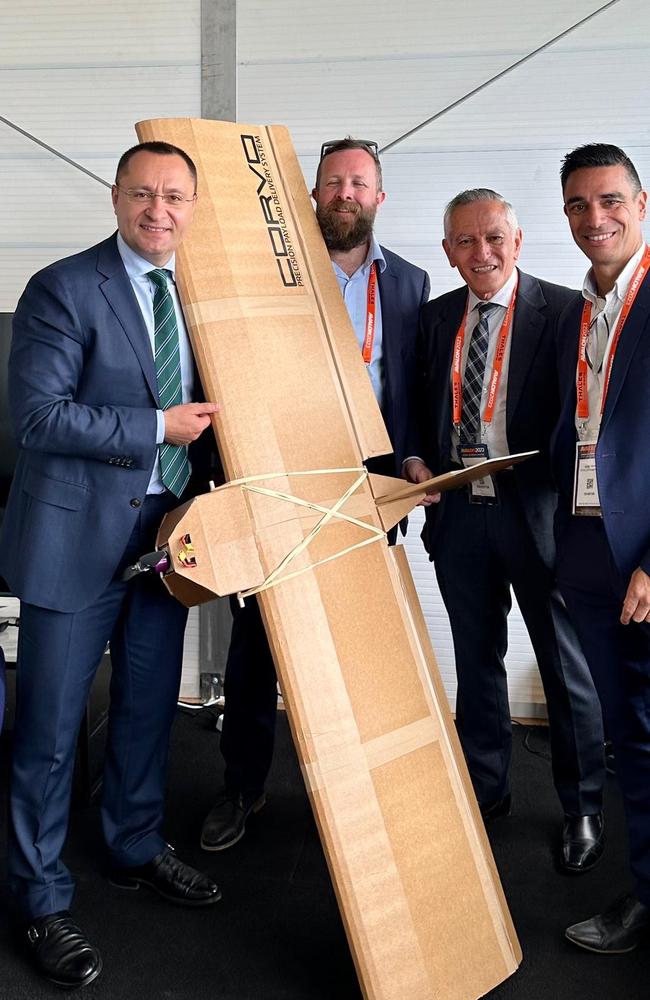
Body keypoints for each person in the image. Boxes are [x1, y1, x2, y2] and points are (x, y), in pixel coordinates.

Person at [0, 141, 222, 990]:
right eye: (141, 194)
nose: (157, 210)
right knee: (51, 734)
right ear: (117, 197)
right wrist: (153, 429)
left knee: (143, 711)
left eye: (174, 197)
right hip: (73, 544)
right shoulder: (63, 287)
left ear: (194, 208)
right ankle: (39, 897)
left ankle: (132, 845)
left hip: (170, 542)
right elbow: (40, 417)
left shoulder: (197, 295)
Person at [200, 138, 430, 852]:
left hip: (369, 491)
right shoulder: (271, 276)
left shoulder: (411, 283)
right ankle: (243, 786)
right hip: (280, 483)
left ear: (378, 197)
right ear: (310, 195)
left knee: (367, 645)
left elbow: (413, 389)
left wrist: (414, 459)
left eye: (358, 183)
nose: (344, 194)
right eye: (332, 182)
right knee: (258, 649)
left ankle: (370, 790)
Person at [403, 188, 606, 871]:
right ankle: (485, 791)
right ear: (447, 252)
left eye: (494, 238)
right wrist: (413, 462)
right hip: (460, 515)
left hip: (538, 517)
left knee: (563, 662)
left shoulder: (567, 312)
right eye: (465, 241)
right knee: (475, 660)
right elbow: (414, 405)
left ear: (517, 243)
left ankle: (582, 807)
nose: (481, 253)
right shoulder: (434, 320)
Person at [552, 143, 650, 953]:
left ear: (642, 203)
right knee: (629, 737)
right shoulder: (584, 305)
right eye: (580, 205)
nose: (596, 219)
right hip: (586, 547)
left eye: (611, 200)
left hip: (644, 561)